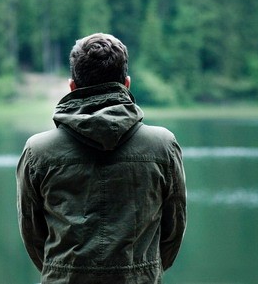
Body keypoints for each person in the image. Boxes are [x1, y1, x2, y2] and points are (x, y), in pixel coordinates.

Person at [16, 33, 187, 283]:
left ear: (72, 86)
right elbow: (174, 230)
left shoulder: (38, 151)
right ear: (126, 84)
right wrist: (143, 271)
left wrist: (65, 271)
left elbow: (32, 235)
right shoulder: (163, 146)